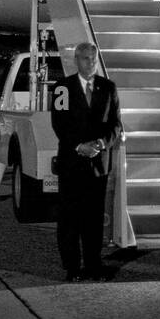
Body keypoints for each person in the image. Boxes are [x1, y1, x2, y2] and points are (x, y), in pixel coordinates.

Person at [50, 41, 122, 281]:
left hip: (98, 165)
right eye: (85, 59)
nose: (90, 63)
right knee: (70, 219)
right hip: (72, 163)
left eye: (93, 59)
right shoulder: (63, 88)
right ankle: (72, 268)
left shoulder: (108, 88)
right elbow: (59, 123)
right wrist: (79, 146)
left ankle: (93, 266)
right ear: (76, 61)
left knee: (93, 220)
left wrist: (101, 144)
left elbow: (116, 124)